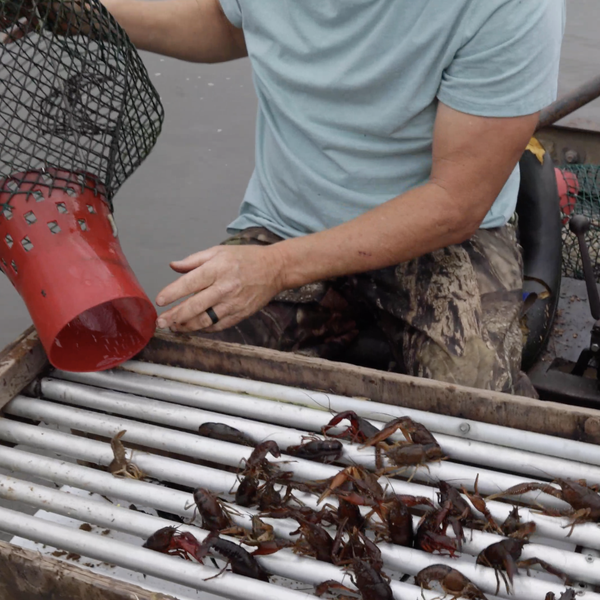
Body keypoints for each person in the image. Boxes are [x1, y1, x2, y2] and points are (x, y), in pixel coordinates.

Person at [107, 0, 564, 395]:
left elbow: (456, 203)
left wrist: (275, 268)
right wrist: (84, 12)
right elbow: (228, 21)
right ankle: (337, 313)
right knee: (175, 369)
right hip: (289, 224)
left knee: (471, 395)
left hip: (442, 238)